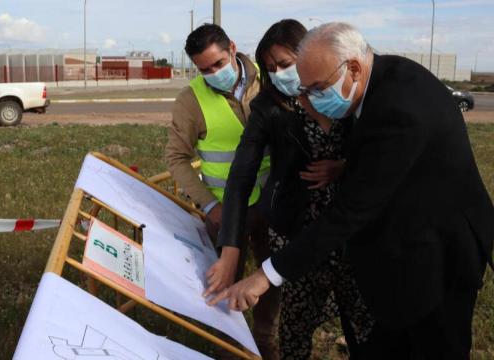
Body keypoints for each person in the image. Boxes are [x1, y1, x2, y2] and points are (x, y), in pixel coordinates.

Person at [209, 22, 494, 360]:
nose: (309, 99)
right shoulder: (384, 78)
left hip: (438, 254)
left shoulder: (398, 110)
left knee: (434, 346)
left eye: (316, 88)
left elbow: (350, 212)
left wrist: (263, 276)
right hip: (399, 244)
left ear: (354, 67)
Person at [204, 19, 374, 359]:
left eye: (285, 64)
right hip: (295, 228)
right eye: (271, 68)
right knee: (296, 323)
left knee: (363, 319)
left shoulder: (342, 94)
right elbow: (241, 176)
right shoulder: (268, 107)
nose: (281, 74)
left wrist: (342, 167)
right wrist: (231, 247)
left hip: (350, 226)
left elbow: (377, 152)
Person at [164, 23, 280, 358]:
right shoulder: (191, 101)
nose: (214, 73)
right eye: (204, 70)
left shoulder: (269, 78)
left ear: (232, 48)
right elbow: (176, 157)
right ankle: (231, 346)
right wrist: (209, 206)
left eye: (218, 63)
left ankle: (263, 339)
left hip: (271, 205)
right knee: (223, 283)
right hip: (226, 212)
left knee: (269, 277)